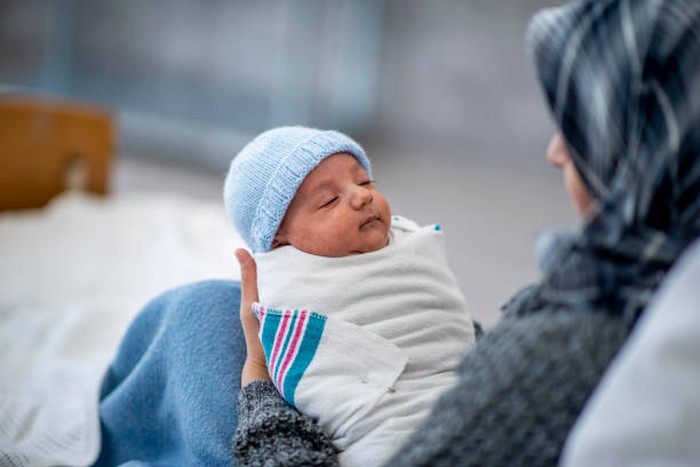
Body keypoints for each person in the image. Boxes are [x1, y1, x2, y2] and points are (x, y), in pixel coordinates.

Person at [95, 0, 700, 465]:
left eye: (582, 127)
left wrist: (258, 380)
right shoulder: (656, 274)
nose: (554, 152)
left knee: (195, 319)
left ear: (647, 149)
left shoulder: (573, 345)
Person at [222, 126, 477, 466]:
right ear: (280, 238)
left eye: (364, 182)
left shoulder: (406, 239)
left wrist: (256, 369)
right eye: (330, 199)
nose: (362, 197)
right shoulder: (284, 284)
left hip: (469, 401)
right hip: (381, 433)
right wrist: (259, 357)